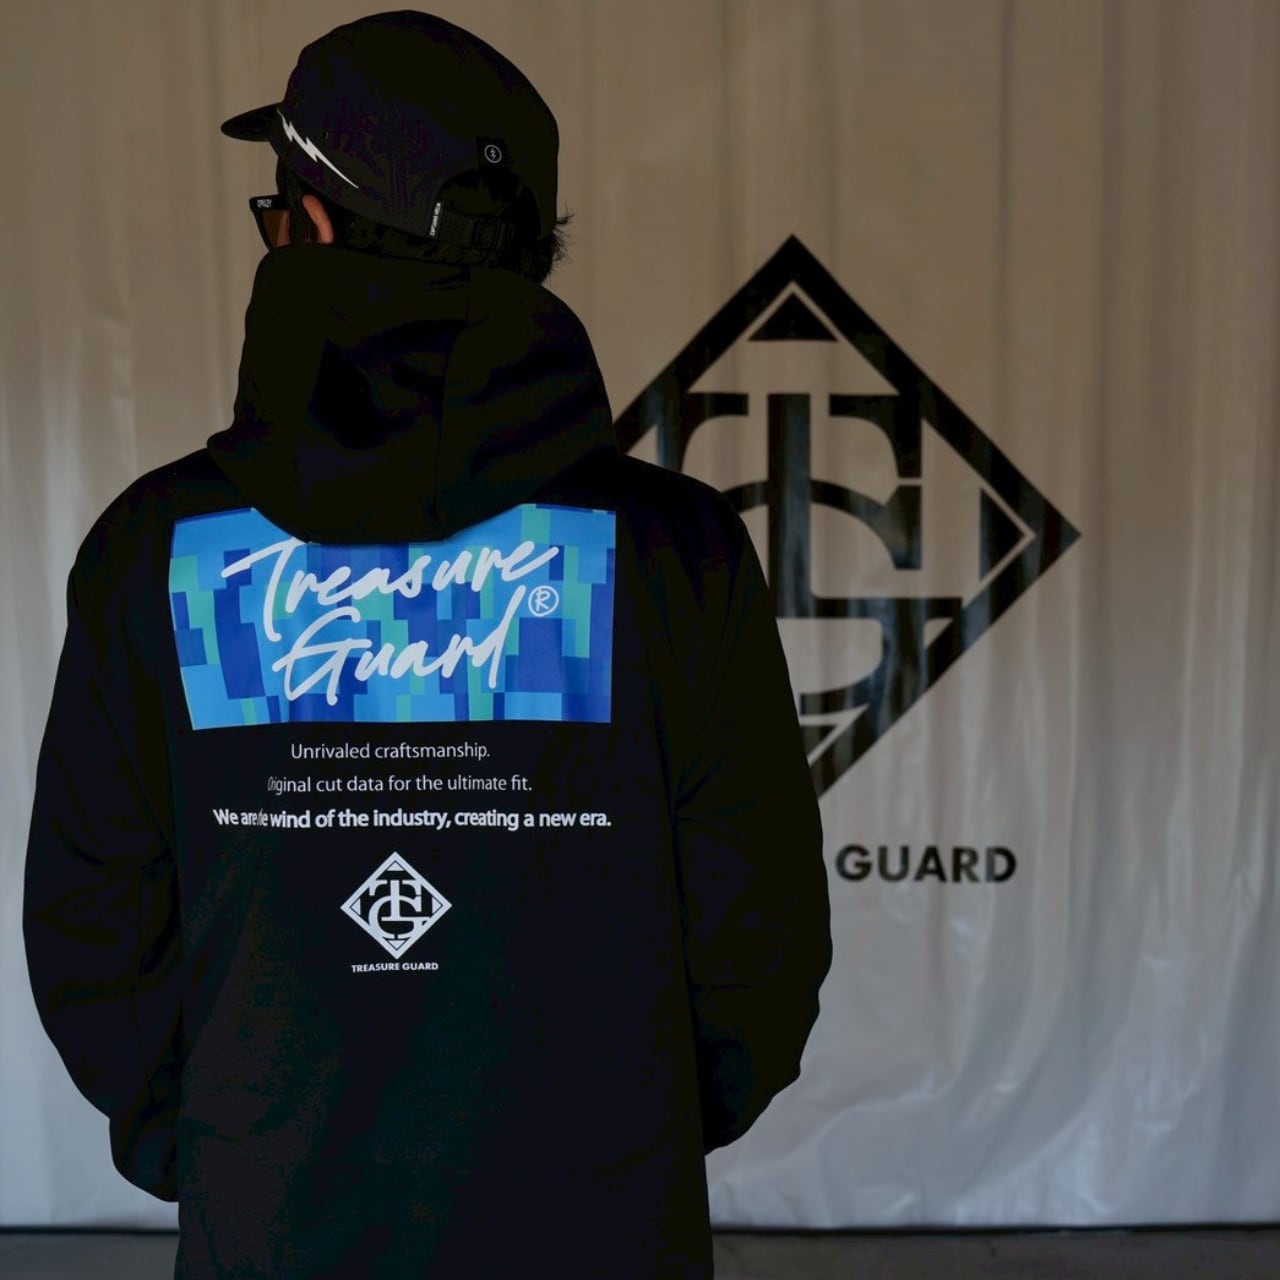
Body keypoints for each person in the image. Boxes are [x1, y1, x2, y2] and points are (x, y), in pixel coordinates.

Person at [22, 10, 832, 1278]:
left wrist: (230, 1143)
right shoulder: (675, 551)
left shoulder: (158, 545)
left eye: (273, 211)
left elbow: (94, 919)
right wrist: (638, 1122)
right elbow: (757, 931)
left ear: (311, 226)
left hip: (274, 1228)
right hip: (601, 1226)